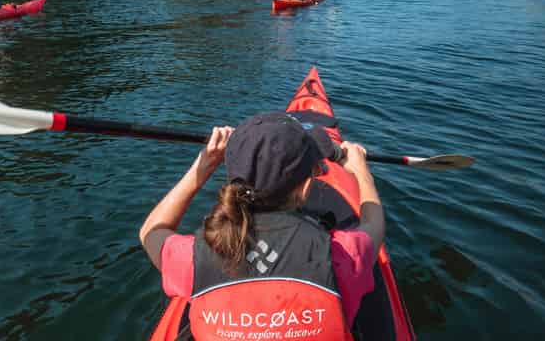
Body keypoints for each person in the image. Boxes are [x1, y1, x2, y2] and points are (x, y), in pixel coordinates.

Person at [140, 113, 384, 340]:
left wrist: (202, 167)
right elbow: (374, 224)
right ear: (307, 187)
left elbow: (151, 232)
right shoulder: (344, 255)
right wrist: (361, 172)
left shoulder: (193, 257)